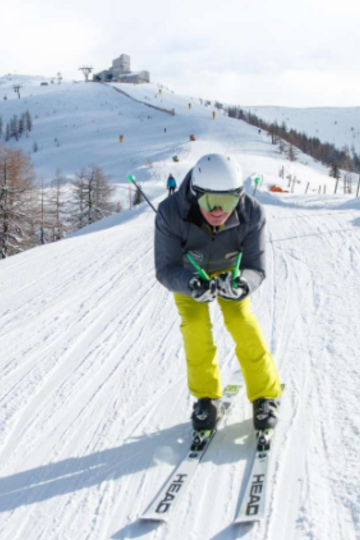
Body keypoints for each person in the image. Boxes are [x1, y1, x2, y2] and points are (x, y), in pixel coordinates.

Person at [155, 153, 282, 432]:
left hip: (230, 272)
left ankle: (265, 395)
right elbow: (166, 268)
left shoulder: (252, 213)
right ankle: (205, 398)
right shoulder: (171, 212)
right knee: (195, 327)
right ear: (194, 192)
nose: (218, 211)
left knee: (241, 321)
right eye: (210, 201)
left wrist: (241, 284)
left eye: (227, 202)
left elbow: (256, 267)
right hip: (189, 275)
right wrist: (190, 284)